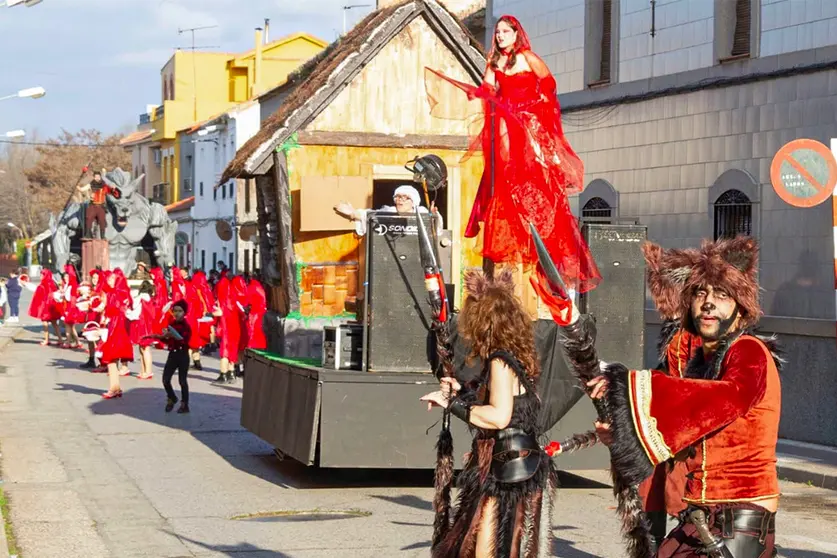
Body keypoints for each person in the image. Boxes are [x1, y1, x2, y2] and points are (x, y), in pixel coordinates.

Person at [556, 236, 781, 557]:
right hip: (705, 513)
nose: (707, 302)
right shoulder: (702, 360)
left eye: (722, 295)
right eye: (701, 293)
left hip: (740, 516)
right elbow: (687, 425)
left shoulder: (748, 350)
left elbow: (728, 398)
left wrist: (627, 384)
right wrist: (624, 432)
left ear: (742, 310)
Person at [425, 16, 600, 295]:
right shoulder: (494, 64)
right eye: (497, 33)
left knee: (535, 172)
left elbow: (549, 86)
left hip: (528, 122)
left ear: (517, 33)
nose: (500, 36)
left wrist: (532, 108)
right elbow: (487, 90)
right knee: (505, 168)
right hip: (507, 124)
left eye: (505, 32)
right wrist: (472, 92)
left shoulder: (528, 58)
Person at [419, 268, 557, 557]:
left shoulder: (499, 361)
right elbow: (502, 403)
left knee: (487, 544)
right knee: (496, 542)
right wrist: (460, 392)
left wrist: (452, 404)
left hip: (506, 466)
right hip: (514, 462)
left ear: (484, 321)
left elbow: (499, 416)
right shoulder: (516, 356)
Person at [334, 184, 443, 236]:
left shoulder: (422, 213)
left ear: (413, 202)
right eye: (397, 197)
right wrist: (352, 214)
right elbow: (367, 215)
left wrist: (434, 216)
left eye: (405, 197)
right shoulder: (389, 212)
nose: (400, 200)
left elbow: (435, 230)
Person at [155, 300, 192, 414]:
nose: (177, 313)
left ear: (184, 312)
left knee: (182, 381)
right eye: (175, 311)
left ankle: (184, 404)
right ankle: (172, 397)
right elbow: (168, 341)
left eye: (180, 311)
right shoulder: (171, 324)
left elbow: (183, 340)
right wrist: (160, 337)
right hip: (172, 354)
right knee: (165, 379)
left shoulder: (186, 326)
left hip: (183, 354)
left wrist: (173, 334)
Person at [77, 170, 118, 239]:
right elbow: (82, 190)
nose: (97, 178)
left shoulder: (104, 186)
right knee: (88, 219)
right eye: (96, 177)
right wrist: (77, 187)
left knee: (102, 221)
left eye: (98, 177)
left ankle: (102, 236)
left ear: (100, 177)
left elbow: (111, 191)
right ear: (94, 177)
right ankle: (87, 235)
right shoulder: (91, 185)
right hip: (92, 205)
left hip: (101, 206)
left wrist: (113, 190)